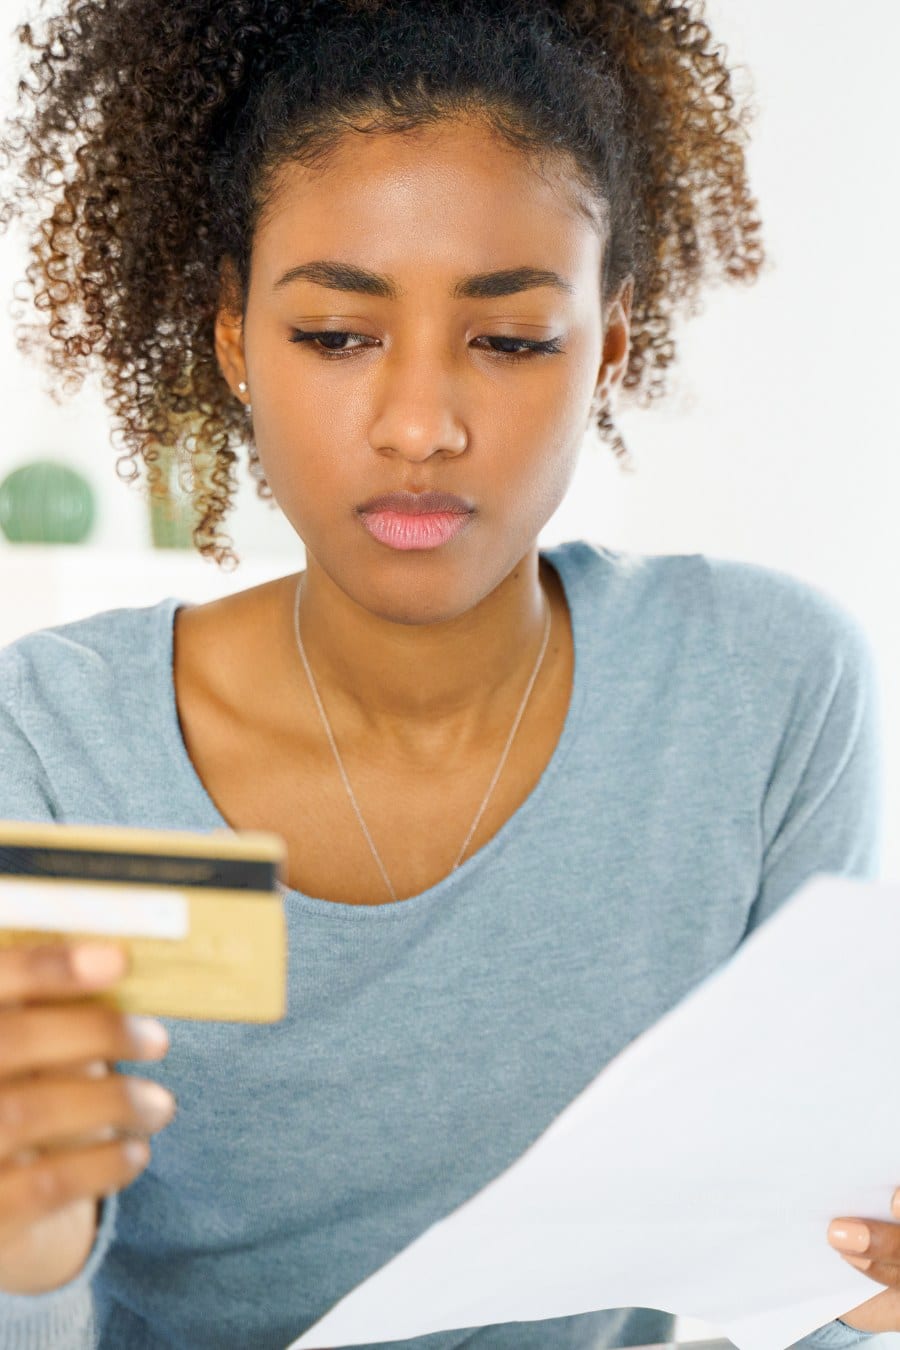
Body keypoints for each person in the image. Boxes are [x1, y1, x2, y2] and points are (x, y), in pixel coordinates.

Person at [0, 0, 890, 1345]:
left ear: (611, 348)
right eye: (336, 336)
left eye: (513, 338)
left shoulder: (765, 685)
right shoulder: (52, 740)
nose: (422, 424)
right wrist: (27, 1245)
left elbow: (803, 1286)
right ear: (234, 337)